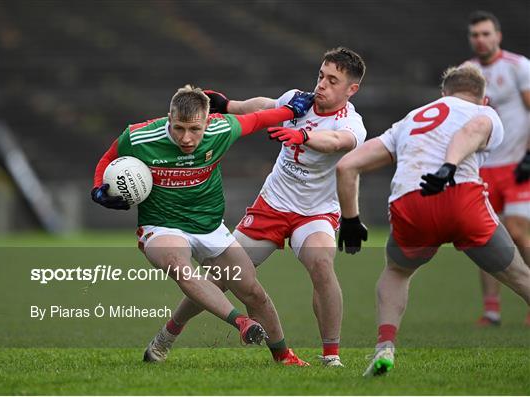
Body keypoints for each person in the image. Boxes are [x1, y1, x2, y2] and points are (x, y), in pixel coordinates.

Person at [148, 47, 368, 368]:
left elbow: (336, 143)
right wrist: (229, 105)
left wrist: (302, 135)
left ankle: (330, 356)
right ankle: (166, 336)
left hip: (315, 212)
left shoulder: (352, 123)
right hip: (272, 206)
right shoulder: (299, 100)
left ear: (352, 89)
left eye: (332, 80)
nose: (321, 84)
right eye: (321, 75)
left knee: (322, 264)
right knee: (222, 277)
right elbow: (264, 105)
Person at [91, 85, 314, 366]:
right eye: (179, 128)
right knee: (178, 264)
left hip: (208, 226)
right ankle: (242, 322)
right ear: (168, 118)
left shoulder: (222, 129)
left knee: (253, 291)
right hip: (161, 226)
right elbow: (108, 158)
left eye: (195, 129)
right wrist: (99, 188)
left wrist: (290, 111)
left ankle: (283, 356)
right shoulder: (138, 136)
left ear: (208, 121)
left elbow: (258, 120)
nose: (187, 138)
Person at [336, 65, 530, 376]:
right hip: (460, 197)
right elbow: (474, 130)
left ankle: (384, 348)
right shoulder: (484, 112)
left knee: (396, 272)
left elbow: (347, 166)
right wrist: (448, 166)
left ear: (443, 94)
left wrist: (350, 220)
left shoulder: (412, 118)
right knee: (520, 276)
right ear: (483, 99)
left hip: (410, 203)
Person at [465, 10, 530, 326]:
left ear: (498, 36)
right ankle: (491, 310)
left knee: (519, 234)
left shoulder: (519, 67)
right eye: (475, 35)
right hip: (484, 169)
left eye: (486, 33)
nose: (481, 39)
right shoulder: (467, 73)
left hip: (518, 166)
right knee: (485, 239)